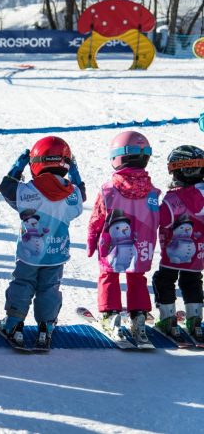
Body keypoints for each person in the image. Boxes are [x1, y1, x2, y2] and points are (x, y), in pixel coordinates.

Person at [0, 136, 86, 348]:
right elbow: (81, 195)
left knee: (22, 284)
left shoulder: (28, 191)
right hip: (56, 255)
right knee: (49, 288)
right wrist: (75, 173)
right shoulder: (72, 193)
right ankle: (46, 327)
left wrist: (17, 167)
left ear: (36, 163)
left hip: (29, 255)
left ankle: (14, 324)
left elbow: (7, 188)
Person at [87, 131, 160, 346]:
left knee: (108, 275)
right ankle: (138, 317)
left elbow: (97, 218)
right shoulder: (153, 192)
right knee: (137, 277)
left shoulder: (108, 190)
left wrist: (92, 240)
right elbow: (160, 219)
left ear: (117, 157)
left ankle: (111, 315)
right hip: (142, 247)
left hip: (113, 247)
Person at [152, 145, 204, 342]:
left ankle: (168, 320)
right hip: (198, 254)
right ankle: (195, 320)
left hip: (172, 255)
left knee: (164, 280)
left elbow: (163, 220)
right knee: (192, 281)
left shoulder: (173, 198)